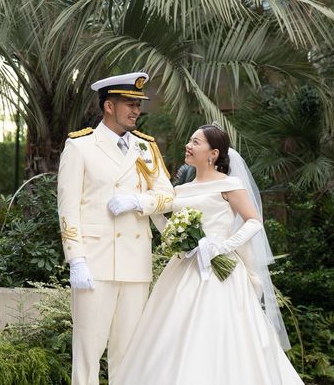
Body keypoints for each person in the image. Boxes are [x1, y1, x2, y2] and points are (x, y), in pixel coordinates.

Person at [116, 123, 304, 385]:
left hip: (221, 269)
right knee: (171, 330)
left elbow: (254, 221)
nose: (188, 146)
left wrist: (222, 246)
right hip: (184, 268)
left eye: (195, 142)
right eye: (189, 140)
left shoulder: (230, 184)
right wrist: (154, 214)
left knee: (224, 331)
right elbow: (169, 227)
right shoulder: (179, 191)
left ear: (213, 153)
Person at [57, 71, 174, 385]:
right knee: (88, 352)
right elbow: (68, 209)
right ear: (109, 106)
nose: (136, 111)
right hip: (95, 262)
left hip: (135, 263)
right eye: (129, 104)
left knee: (129, 353)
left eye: (138, 105)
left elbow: (168, 195)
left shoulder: (145, 148)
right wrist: (76, 259)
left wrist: (139, 201)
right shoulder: (81, 146)